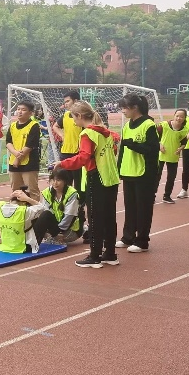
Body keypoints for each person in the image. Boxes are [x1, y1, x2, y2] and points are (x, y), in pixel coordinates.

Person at [55, 100, 120, 267]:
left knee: (95, 218)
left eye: (73, 117)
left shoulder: (87, 134)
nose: (73, 121)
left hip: (97, 178)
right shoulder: (106, 132)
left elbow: (83, 157)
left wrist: (63, 163)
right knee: (109, 217)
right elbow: (113, 149)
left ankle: (94, 256)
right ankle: (110, 253)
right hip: (111, 178)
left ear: (80, 116)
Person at [114, 94, 159, 253]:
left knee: (143, 208)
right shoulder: (127, 126)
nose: (123, 111)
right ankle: (128, 237)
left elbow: (152, 150)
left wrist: (134, 145)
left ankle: (142, 241)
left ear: (135, 108)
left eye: (125, 107)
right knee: (130, 207)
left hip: (143, 174)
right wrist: (118, 169)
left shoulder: (148, 124)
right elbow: (122, 151)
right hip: (128, 172)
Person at [29, 168, 82, 245]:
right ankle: (33, 241)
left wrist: (58, 232)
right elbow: (44, 211)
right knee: (33, 216)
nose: (55, 183)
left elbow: (69, 216)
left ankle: (34, 245)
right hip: (54, 228)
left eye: (58, 180)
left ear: (65, 181)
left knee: (46, 215)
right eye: (53, 180)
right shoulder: (47, 192)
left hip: (69, 230)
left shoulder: (72, 194)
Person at [6, 100, 40, 201]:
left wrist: (18, 158)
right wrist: (15, 153)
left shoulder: (34, 125)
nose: (20, 112)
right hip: (13, 163)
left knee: (32, 190)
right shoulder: (12, 125)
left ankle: (35, 209)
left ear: (30, 113)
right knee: (15, 190)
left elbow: (30, 145)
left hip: (29, 163)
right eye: (18, 109)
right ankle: (17, 209)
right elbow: (8, 142)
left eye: (23, 110)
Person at [52, 90, 83, 195]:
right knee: (65, 183)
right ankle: (65, 202)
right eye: (64, 102)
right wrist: (62, 135)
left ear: (76, 101)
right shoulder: (65, 115)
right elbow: (55, 126)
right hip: (65, 153)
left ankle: (79, 204)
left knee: (79, 185)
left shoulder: (82, 116)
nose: (65, 104)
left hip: (78, 154)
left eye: (68, 101)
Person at [0, 187, 45, 253]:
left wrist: (13, 196)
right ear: (24, 203)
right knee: (46, 214)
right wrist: (28, 199)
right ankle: (55, 238)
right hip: (24, 247)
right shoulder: (24, 211)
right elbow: (42, 208)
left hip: (6, 245)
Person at [156, 109, 188, 204]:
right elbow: (154, 136)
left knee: (171, 177)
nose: (179, 118)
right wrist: (159, 144)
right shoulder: (164, 125)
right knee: (156, 176)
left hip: (173, 156)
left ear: (184, 118)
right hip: (161, 155)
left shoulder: (184, 130)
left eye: (181, 117)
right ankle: (152, 195)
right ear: (174, 116)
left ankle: (167, 196)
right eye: (177, 116)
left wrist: (180, 148)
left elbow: (184, 142)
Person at [177, 95, 189, 199]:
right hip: (187, 146)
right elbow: (182, 132)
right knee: (186, 169)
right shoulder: (185, 116)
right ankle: (184, 189)